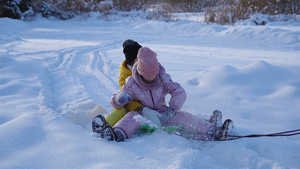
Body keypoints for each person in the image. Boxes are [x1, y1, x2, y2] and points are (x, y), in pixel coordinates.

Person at [93, 47, 233, 142]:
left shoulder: (163, 78)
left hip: (163, 114)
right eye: (147, 76)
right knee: (131, 116)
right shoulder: (131, 82)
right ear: (140, 73)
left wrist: (171, 110)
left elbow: (180, 92)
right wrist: (118, 99)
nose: (151, 79)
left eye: (153, 75)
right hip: (143, 116)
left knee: (183, 116)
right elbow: (115, 101)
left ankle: (214, 131)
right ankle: (118, 134)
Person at [92, 39, 144, 141]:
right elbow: (125, 94)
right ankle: (104, 124)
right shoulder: (125, 76)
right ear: (131, 62)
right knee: (122, 111)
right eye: (137, 60)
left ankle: (119, 131)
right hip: (132, 103)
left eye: (142, 59)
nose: (141, 63)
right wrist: (138, 107)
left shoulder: (148, 69)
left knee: (132, 117)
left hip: (148, 107)